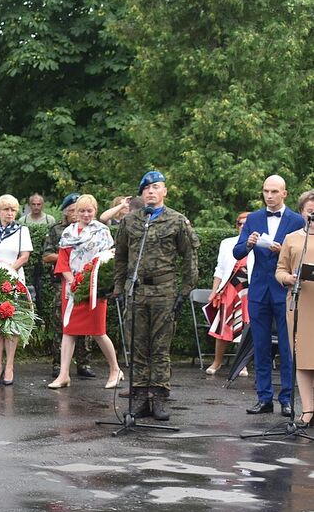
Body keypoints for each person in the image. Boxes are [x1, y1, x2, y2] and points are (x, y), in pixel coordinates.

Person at [113, 170, 199, 421]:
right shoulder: (130, 221)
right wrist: (119, 288)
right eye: (146, 188)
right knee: (137, 345)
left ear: (164, 191)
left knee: (160, 347)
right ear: (141, 193)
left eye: (156, 187)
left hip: (164, 291)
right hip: (137, 291)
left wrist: (185, 290)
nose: (151, 192)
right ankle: (140, 396)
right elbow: (120, 257)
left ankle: (159, 396)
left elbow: (189, 257)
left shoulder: (177, 221)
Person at [234, 175, 304, 417]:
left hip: (285, 290)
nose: (269, 196)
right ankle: (264, 398)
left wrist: (282, 250)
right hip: (259, 289)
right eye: (266, 191)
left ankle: (286, 399)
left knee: (286, 347)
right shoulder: (253, 218)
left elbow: (303, 254)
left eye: (274, 191)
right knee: (261, 345)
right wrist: (249, 243)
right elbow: (237, 251)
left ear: (285, 193)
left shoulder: (296, 220)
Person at [47, 194, 122, 390]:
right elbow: (62, 261)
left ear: (95, 211)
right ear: (75, 212)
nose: (86, 214)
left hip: (94, 288)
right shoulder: (68, 233)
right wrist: (72, 281)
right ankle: (63, 374)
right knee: (68, 331)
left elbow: (109, 260)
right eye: (82, 211)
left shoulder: (103, 231)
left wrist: (91, 280)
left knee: (98, 332)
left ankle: (115, 369)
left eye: (89, 210)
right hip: (71, 289)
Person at [0, 195, 32, 385]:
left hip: (15, 281)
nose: (9, 213)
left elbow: (24, 256)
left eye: (13, 210)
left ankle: (9, 366)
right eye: (6, 209)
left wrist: (9, 271)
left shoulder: (22, 231)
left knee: (12, 323)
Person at [43, 193, 95, 379]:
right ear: (65, 211)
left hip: (85, 280)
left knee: (86, 322)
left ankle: (84, 363)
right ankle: (58, 364)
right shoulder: (58, 230)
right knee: (61, 323)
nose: (76, 214)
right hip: (62, 283)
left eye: (78, 210)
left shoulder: (91, 230)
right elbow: (46, 256)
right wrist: (70, 256)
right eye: (73, 210)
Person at [275, 190, 314, 427]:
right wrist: (287, 278)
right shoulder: (292, 238)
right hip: (300, 304)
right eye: (310, 210)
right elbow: (280, 269)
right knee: (303, 358)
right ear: (301, 212)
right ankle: (308, 410)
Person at [205, 212, 253, 376]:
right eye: (240, 223)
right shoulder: (227, 243)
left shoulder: (259, 243)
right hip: (229, 289)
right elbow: (219, 269)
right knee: (223, 326)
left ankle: (242, 364)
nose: (243, 226)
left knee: (245, 326)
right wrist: (214, 291)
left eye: (247, 224)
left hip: (249, 291)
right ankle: (217, 362)